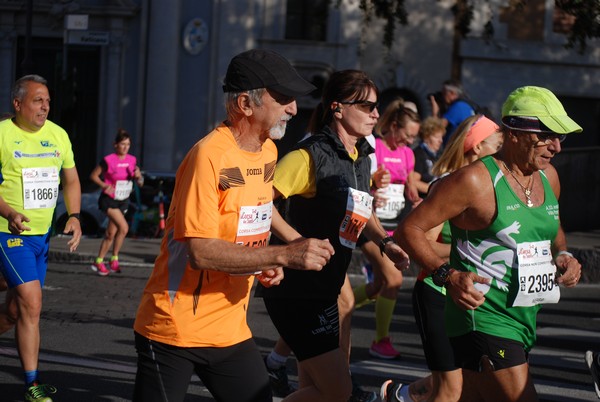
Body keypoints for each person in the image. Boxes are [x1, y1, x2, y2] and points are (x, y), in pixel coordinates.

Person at [132, 49, 335, 402]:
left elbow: (259, 205)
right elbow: (201, 251)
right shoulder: (208, 156)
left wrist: (286, 246)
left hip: (229, 329)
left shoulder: (268, 150)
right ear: (245, 103)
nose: (293, 109)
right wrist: (284, 256)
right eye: (283, 98)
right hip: (174, 329)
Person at [391, 86, 583, 402]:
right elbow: (409, 230)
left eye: (561, 137)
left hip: (523, 318)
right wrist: (447, 276)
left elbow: (553, 226)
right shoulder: (474, 181)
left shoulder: (549, 178)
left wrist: (563, 254)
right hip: (482, 317)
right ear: (516, 133)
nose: (557, 147)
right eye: (548, 135)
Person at [260, 69, 410, 402]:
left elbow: (362, 205)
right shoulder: (309, 155)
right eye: (367, 105)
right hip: (298, 290)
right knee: (338, 392)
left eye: (377, 106)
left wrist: (385, 242)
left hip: (326, 284)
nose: (375, 113)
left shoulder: (361, 156)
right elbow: (259, 201)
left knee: (312, 389)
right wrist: (296, 240)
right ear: (337, 108)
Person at [380, 114, 503, 402]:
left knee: (470, 380)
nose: (503, 152)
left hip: (471, 297)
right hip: (438, 292)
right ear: (476, 147)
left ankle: (402, 396)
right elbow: (413, 240)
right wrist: (470, 246)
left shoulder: (491, 186)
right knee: (451, 389)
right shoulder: (448, 184)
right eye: (498, 145)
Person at [0, 74, 82, 402]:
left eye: (47, 101)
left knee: (15, 312)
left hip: (41, 239)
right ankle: (32, 385)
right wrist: (8, 212)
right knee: (32, 303)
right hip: (9, 233)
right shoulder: (3, 134)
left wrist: (74, 216)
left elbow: (72, 180)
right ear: (17, 104)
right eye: (37, 100)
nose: (45, 106)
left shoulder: (58, 136)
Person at [353, 99, 421, 361]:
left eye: (414, 137)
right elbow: (361, 182)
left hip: (393, 226)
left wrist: (415, 199)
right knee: (392, 280)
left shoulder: (408, 154)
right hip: (370, 226)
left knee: (379, 284)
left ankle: (336, 310)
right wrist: (372, 190)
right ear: (394, 127)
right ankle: (380, 340)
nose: (410, 142)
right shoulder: (375, 148)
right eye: (407, 135)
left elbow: (410, 189)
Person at [89, 129, 144, 276]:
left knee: (110, 234)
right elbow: (93, 176)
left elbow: (140, 183)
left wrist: (139, 177)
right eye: (123, 144)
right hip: (109, 200)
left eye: (128, 144)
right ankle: (114, 259)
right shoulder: (108, 160)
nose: (125, 147)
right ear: (115, 145)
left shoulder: (132, 160)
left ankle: (100, 260)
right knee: (124, 228)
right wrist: (105, 186)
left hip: (123, 200)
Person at [429, 79, 475, 144]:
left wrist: (435, 112)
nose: (442, 96)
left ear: (452, 93)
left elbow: (436, 129)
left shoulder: (457, 107)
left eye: (444, 93)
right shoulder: (465, 105)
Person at [412, 116, 445, 198]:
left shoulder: (437, 155)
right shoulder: (419, 154)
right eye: (437, 137)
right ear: (426, 137)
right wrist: (436, 190)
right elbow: (414, 182)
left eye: (441, 137)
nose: (440, 140)